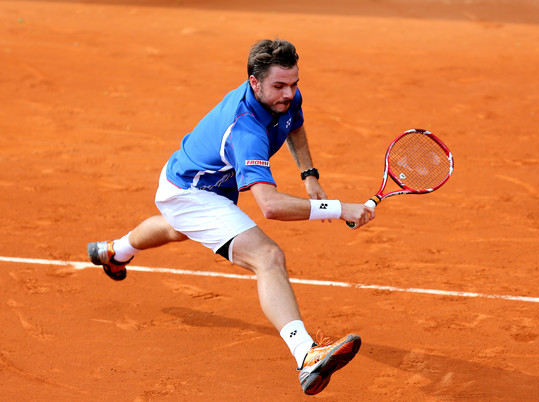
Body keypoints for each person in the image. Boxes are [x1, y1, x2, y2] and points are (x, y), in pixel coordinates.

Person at [88, 39, 375, 395]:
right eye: (279, 86)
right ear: (255, 83)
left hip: (197, 177)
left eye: (294, 84)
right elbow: (269, 206)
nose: (289, 93)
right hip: (190, 192)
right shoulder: (246, 129)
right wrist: (338, 207)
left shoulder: (283, 95)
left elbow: (294, 124)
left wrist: (310, 175)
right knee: (268, 257)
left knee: (178, 231)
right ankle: (306, 356)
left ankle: (114, 251)